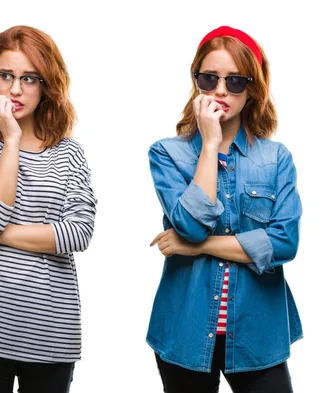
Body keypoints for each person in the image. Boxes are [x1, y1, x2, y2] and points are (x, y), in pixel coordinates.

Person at [148, 26, 302, 393]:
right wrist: (210, 143)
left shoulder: (276, 158)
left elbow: (284, 243)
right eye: (208, 79)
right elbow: (190, 226)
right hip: (185, 329)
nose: (220, 90)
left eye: (234, 81)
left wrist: (198, 248)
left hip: (257, 332)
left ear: (253, 88)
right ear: (196, 82)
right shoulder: (168, 153)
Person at [0, 25, 97, 393]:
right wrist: (11, 138)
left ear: (46, 85)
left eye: (29, 78)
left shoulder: (69, 153)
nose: (16, 89)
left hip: (51, 334)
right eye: (7, 76)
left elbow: (79, 233)